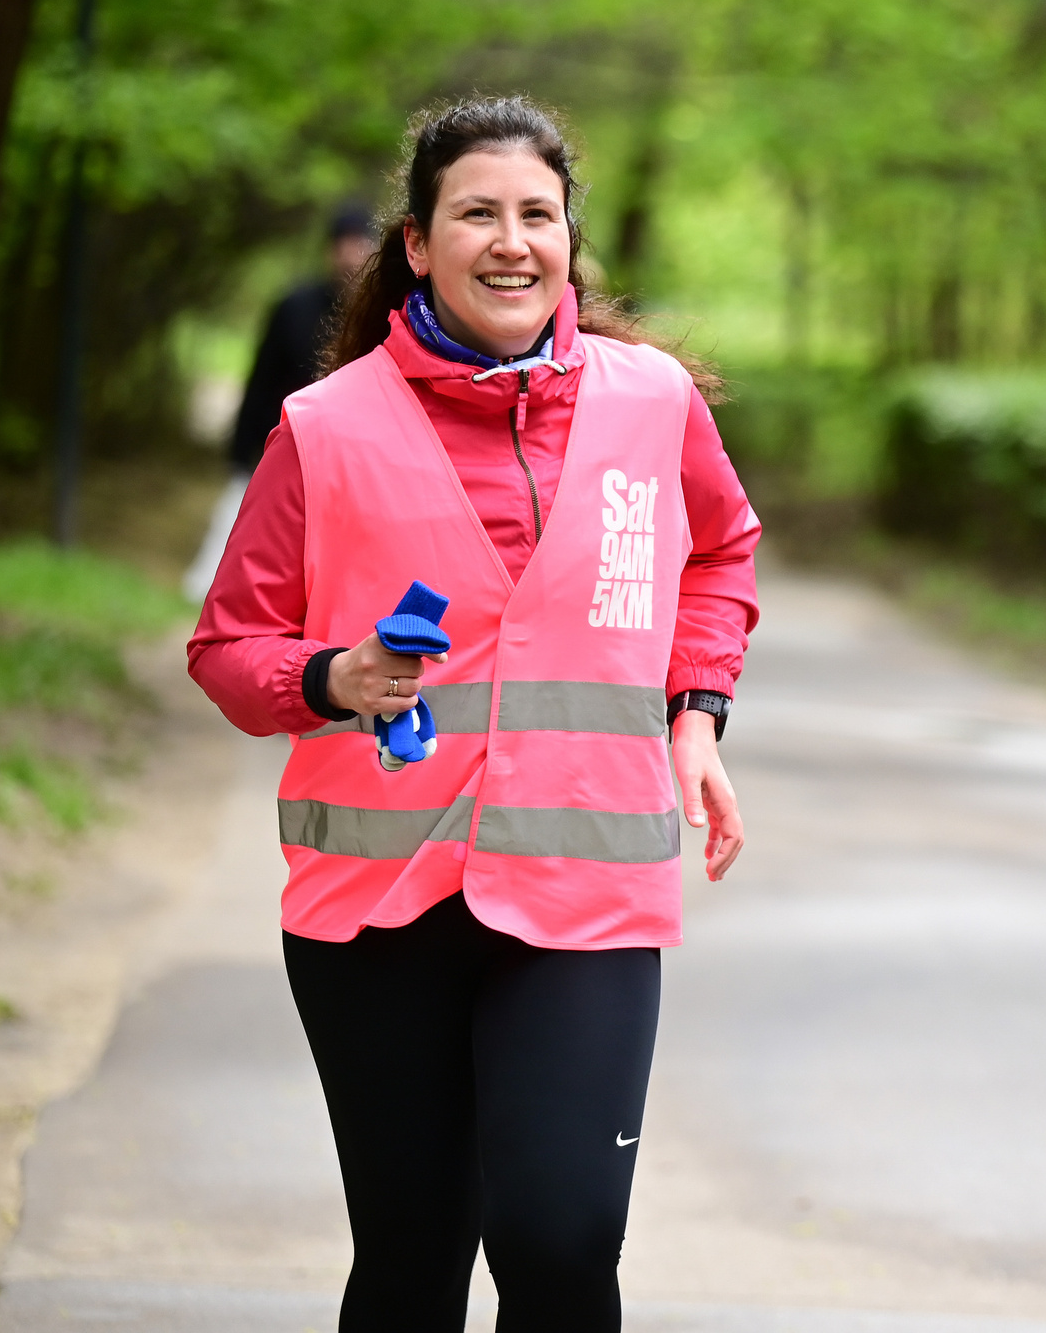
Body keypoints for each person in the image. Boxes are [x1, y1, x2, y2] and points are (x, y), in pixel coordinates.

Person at [188, 96, 761, 1333]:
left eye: (537, 215)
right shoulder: (325, 426)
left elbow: (722, 555)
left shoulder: (652, 402)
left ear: (569, 239)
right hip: (376, 908)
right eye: (477, 214)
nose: (512, 241)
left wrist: (696, 711)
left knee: (561, 1243)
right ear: (418, 244)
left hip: (585, 895)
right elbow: (229, 647)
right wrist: (329, 679)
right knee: (410, 1259)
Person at [182, 204, 379, 601]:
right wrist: (243, 445)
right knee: (245, 519)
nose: (350, 254)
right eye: (344, 243)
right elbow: (263, 376)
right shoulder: (294, 307)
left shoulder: (383, 311)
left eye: (361, 244)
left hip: (352, 453)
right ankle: (213, 590)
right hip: (282, 438)